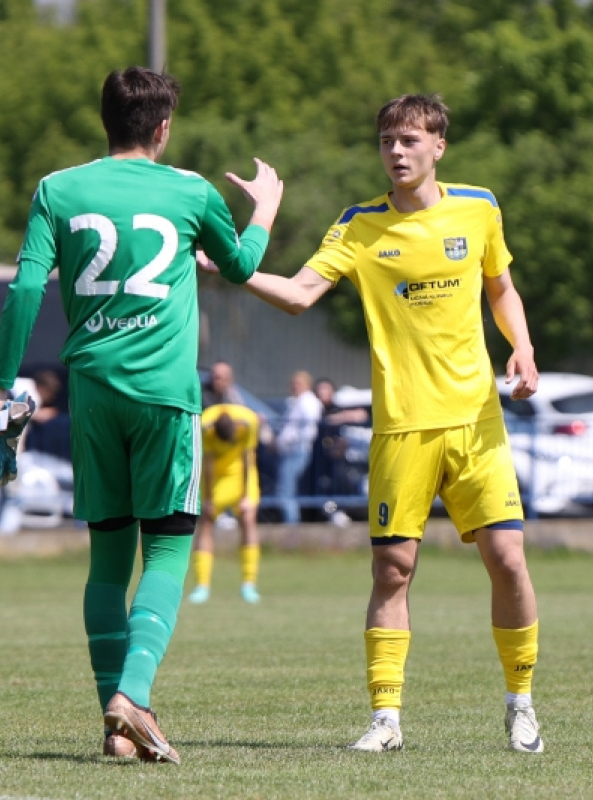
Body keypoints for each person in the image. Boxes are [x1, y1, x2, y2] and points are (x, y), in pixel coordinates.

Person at [0, 66, 283, 763]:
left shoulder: (59, 188)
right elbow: (237, 268)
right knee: (169, 549)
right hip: (165, 397)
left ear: (104, 119)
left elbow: (24, 288)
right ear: (163, 128)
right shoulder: (189, 191)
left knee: (107, 562)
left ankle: (116, 731)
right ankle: (132, 698)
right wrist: (265, 207)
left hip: (93, 396)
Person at [239, 93, 543, 753]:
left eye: (409, 140)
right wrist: (234, 270)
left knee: (510, 561)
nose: (397, 152)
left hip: (476, 421)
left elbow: (501, 287)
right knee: (392, 571)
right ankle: (386, 720)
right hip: (402, 427)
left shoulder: (480, 207)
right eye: (387, 142)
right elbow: (298, 295)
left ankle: (520, 703)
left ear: (438, 146)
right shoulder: (357, 226)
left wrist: (520, 344)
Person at [188, 403, 263, 604]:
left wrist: (246, 496)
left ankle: (249, 584)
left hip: (241, 473)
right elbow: (209, 461)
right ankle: (202, 585)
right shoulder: (205, 425)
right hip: (215, 475)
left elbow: (247, 458)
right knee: (206, 520)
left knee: (248, 519)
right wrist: (209, 499)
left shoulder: (249, 422)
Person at [274, 370, 322, 523]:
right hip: (291, 449)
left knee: (285, 490)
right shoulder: (297, 401)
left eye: (298, 383)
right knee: (286, 489)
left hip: (297, 449)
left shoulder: (307, 401)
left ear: (307, 385)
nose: (294, 387)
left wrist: (286, 441)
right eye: (293, 383)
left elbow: (305, 427)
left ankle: (292, 525)